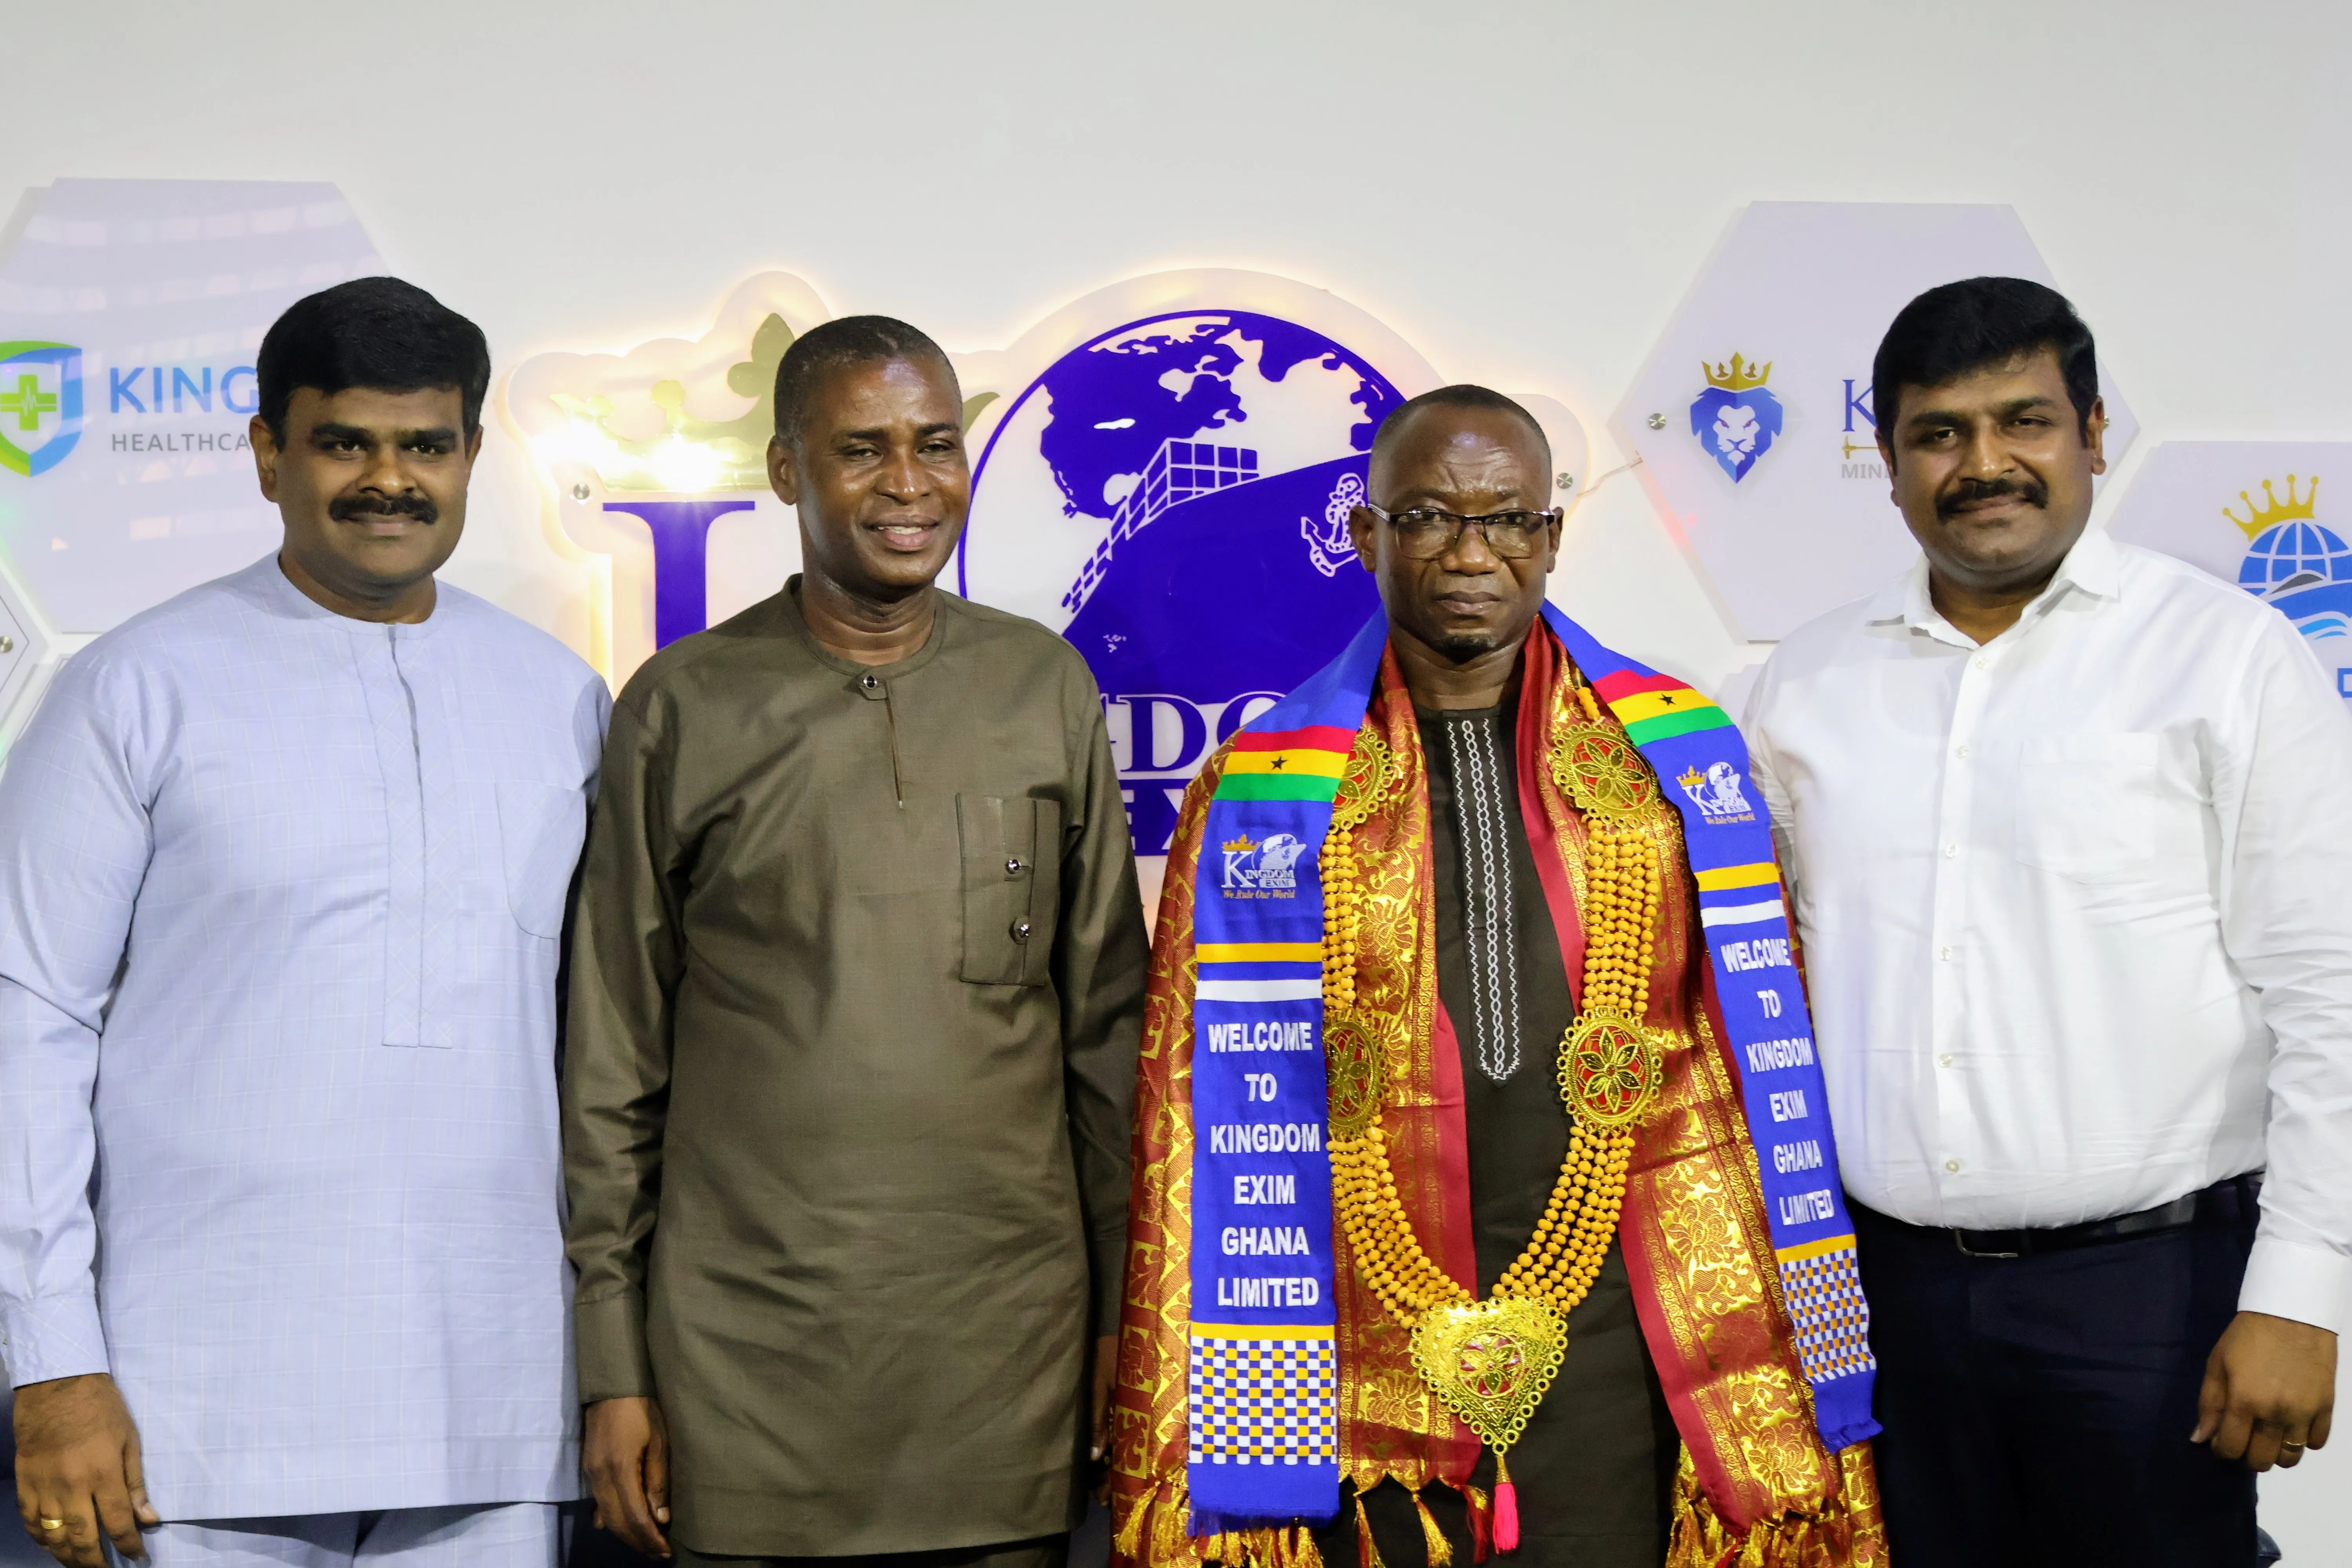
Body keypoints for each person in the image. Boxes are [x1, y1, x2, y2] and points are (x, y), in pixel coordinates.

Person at [1108, 386, 1887, 1568]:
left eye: (1508, 520)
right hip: (1350, 1346)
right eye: (1429, 517)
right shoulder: (1258, 794)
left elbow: (1755, 1081)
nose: (1472, 554)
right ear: (1370, 537)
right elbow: (1186, 1114)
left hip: (1633, 1343)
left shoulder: (1673, 775)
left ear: (1552, 540)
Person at [0, 277, 606, 1568]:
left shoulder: (560, 701)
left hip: (497, 1407)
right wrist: (50, 1365)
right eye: (345, 442)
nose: (390, 480)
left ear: (473, 456)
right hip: (192, 1416)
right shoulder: (134, 689)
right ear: (269, 452)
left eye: (426, 445)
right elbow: (26, 1023)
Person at [1745, 276, 2350, 1567]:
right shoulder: (1803, 686)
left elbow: (2330, 993)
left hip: (2150, 1301)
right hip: (1881, 1301)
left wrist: (2299, 1294)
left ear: (2093, 434)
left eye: (2024, 421)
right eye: (1940, 431)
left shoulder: (2227, 659)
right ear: (1889, 461)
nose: (1986, 464)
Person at [563, 316, 1149, 1567]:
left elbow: (1108, 1036)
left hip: (1010, 1357)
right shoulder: (682, 707)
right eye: (862, 450)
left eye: (936, 445)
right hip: (746, 1372)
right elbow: (611, 1065)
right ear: (786, 472)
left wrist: (1127, 1320)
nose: (908, 484)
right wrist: (613, 1364)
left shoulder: (1042, 686)